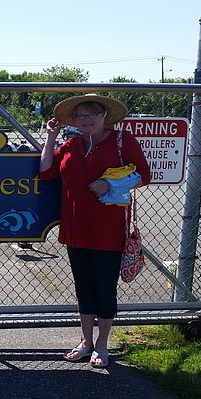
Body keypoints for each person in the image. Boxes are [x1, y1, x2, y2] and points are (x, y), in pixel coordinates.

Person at [38, 94, 151, 368]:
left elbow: (144, 175)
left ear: (104, 117)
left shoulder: (122, 141)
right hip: (76, 229)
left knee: (104, 289)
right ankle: (85, 341)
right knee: (83, 288)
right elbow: (46, 172)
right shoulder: (71, 144)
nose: (86, 119)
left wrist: (109, 185)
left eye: (92, 114)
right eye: (81, 115)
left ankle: (102, 344)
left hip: (108, 230)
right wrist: (51, 137)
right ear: (74, 120)